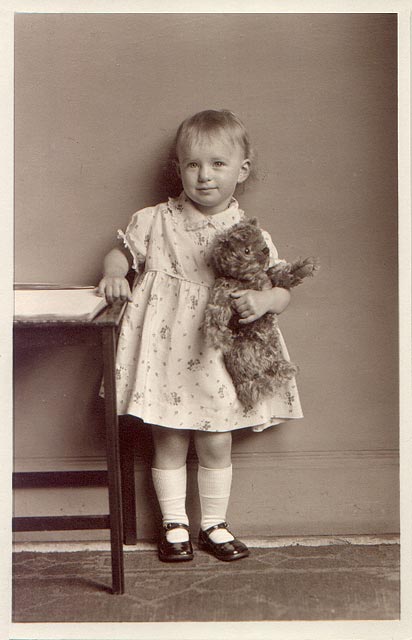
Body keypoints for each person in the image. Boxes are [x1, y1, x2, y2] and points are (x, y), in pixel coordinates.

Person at [97, 109, 303, 563]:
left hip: (218, 351)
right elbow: (120, 254)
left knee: (216, 438)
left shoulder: (250, 234)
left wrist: (265, 302)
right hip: (166, 349)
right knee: (168, 436)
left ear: (241, 170)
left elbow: (281, 285)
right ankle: (174, 523)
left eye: (217, 164)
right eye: (192, 164)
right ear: (179, 168)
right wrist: (115, 275)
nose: (204, 176)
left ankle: (214, 523)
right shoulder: (155, 220)